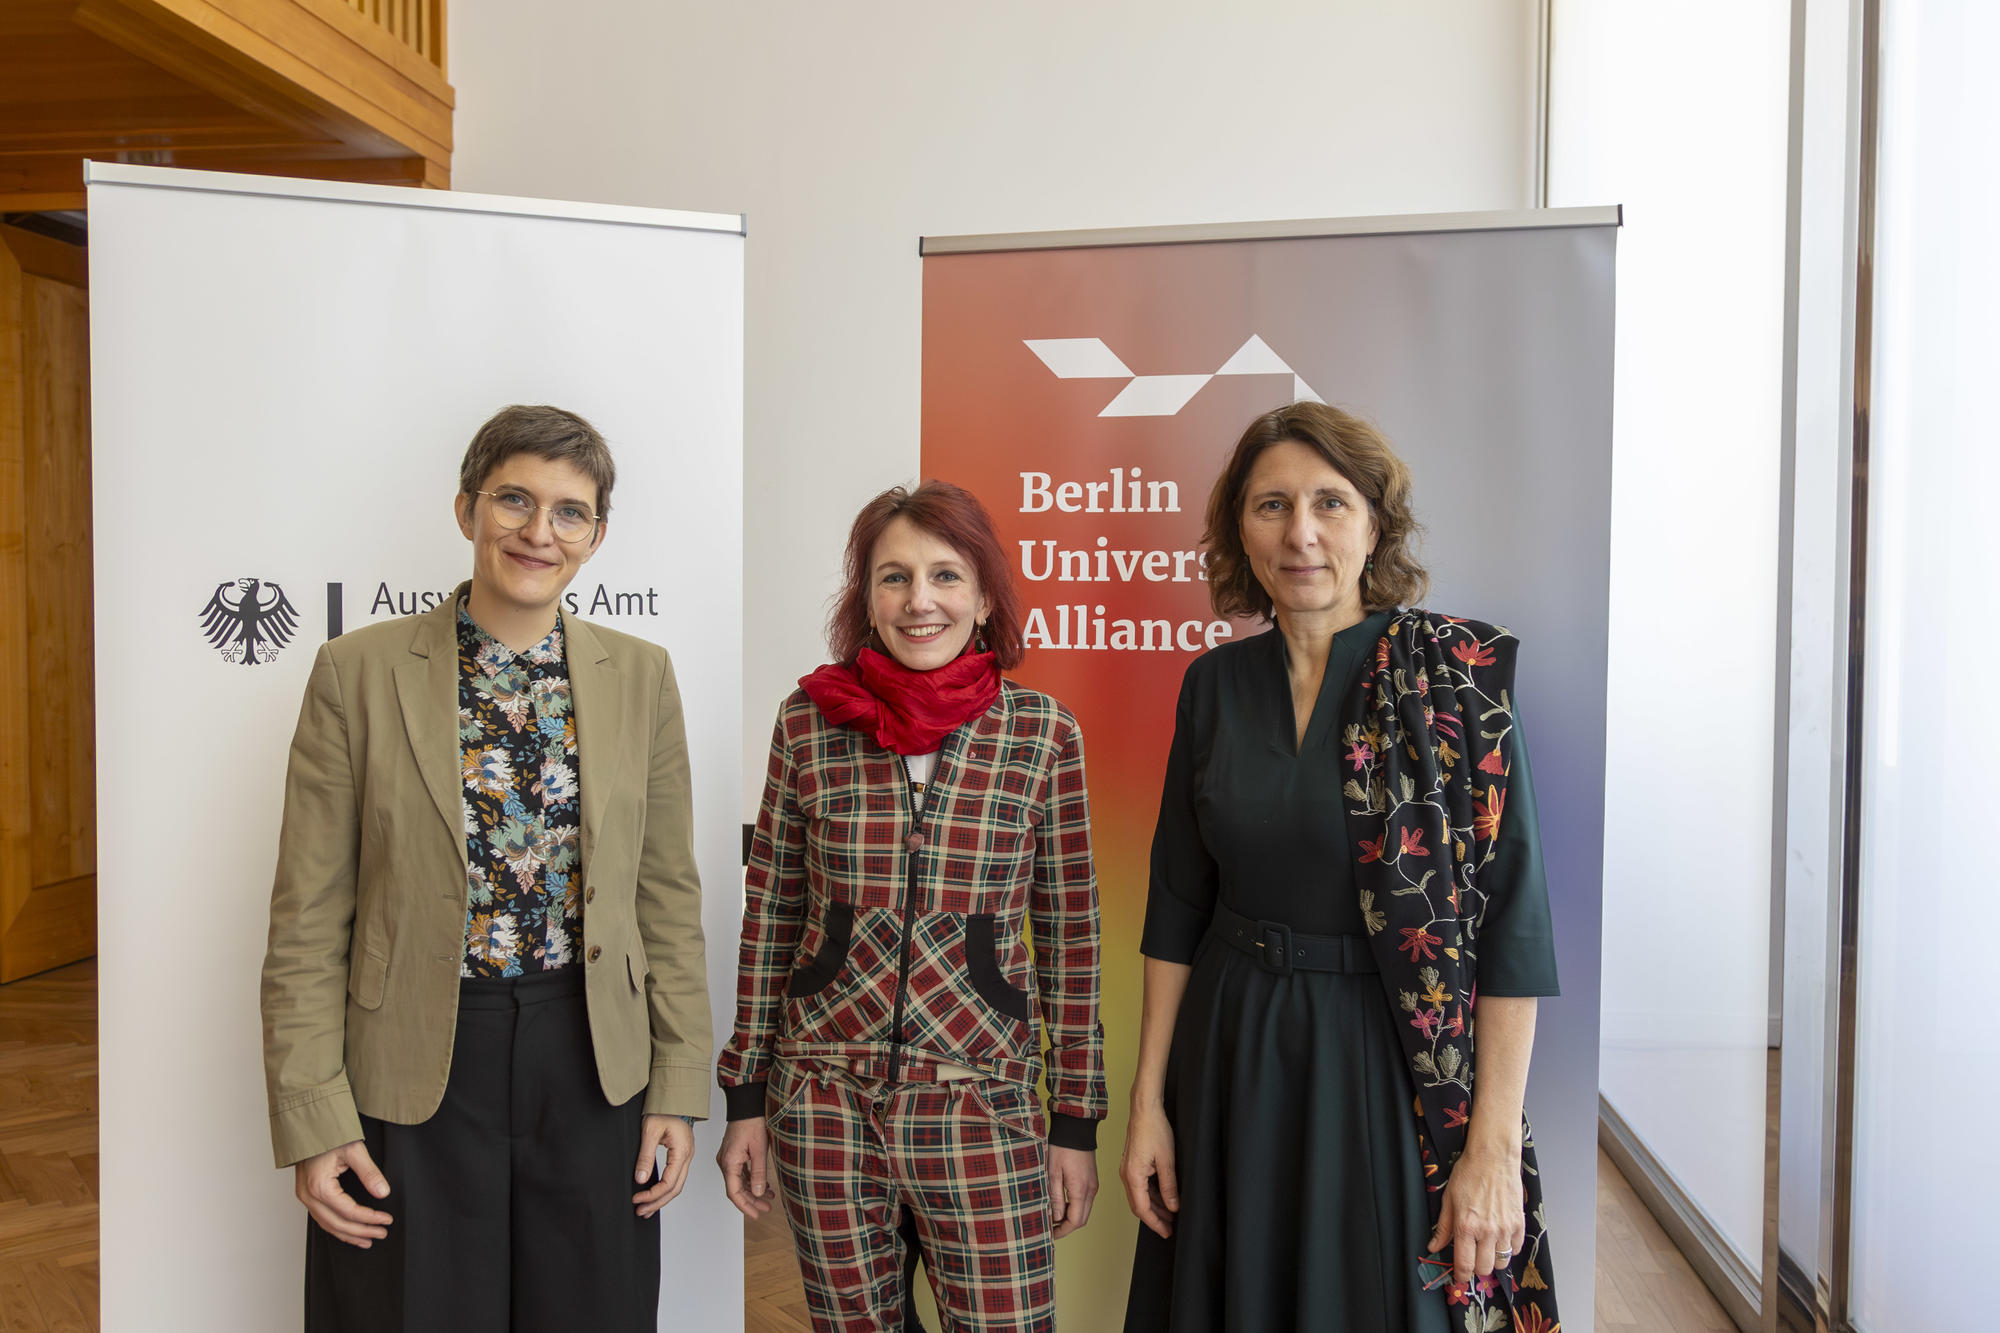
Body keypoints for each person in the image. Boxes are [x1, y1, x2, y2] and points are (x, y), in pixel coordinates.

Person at [260, 404, 712, 1332]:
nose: (538, 531)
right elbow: (308, 917)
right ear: (467, 509)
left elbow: (665, 896)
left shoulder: (645, 676)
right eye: (513, 499)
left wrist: (676, 1084)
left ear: (596, 535)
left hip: (591, 1055)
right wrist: (314, 1119)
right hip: (414, 1058)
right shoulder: (357, 672)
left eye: (569, 511)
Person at [1119, 402, 1562, 1333]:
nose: (1302, 533)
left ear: (1374, 523)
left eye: (1330, 503)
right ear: (1240, 528)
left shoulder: (1451, 685)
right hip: (1234, 1054)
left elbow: (1511, 929)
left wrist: (1489, 1147)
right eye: (1271, 505)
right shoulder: (1213, 685)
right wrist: (1148, 1104)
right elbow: (1174, 907)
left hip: (1390, 1058)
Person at [716, 481, 1107, 1333]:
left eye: (945, 575)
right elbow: (772, 915)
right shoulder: (809, 724)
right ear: (865, 598)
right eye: (893, 577)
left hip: (982, 1107)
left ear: (985, 595)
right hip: (825, 1104)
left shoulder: (1041, 734)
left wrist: (1074, 1120)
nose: (919, 600)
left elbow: (1071, 937)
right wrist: (746, 1098)